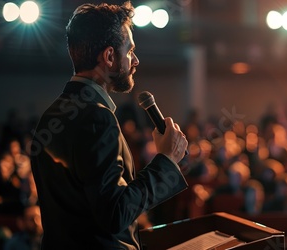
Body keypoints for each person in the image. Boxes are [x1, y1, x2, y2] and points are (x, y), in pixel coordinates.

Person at [30, 2, 189, 249]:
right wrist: (166, 160)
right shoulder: (97, 118)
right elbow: (115, 213)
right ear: (110, 56)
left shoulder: (52, 115)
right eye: (130, 51)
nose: (135, 60)